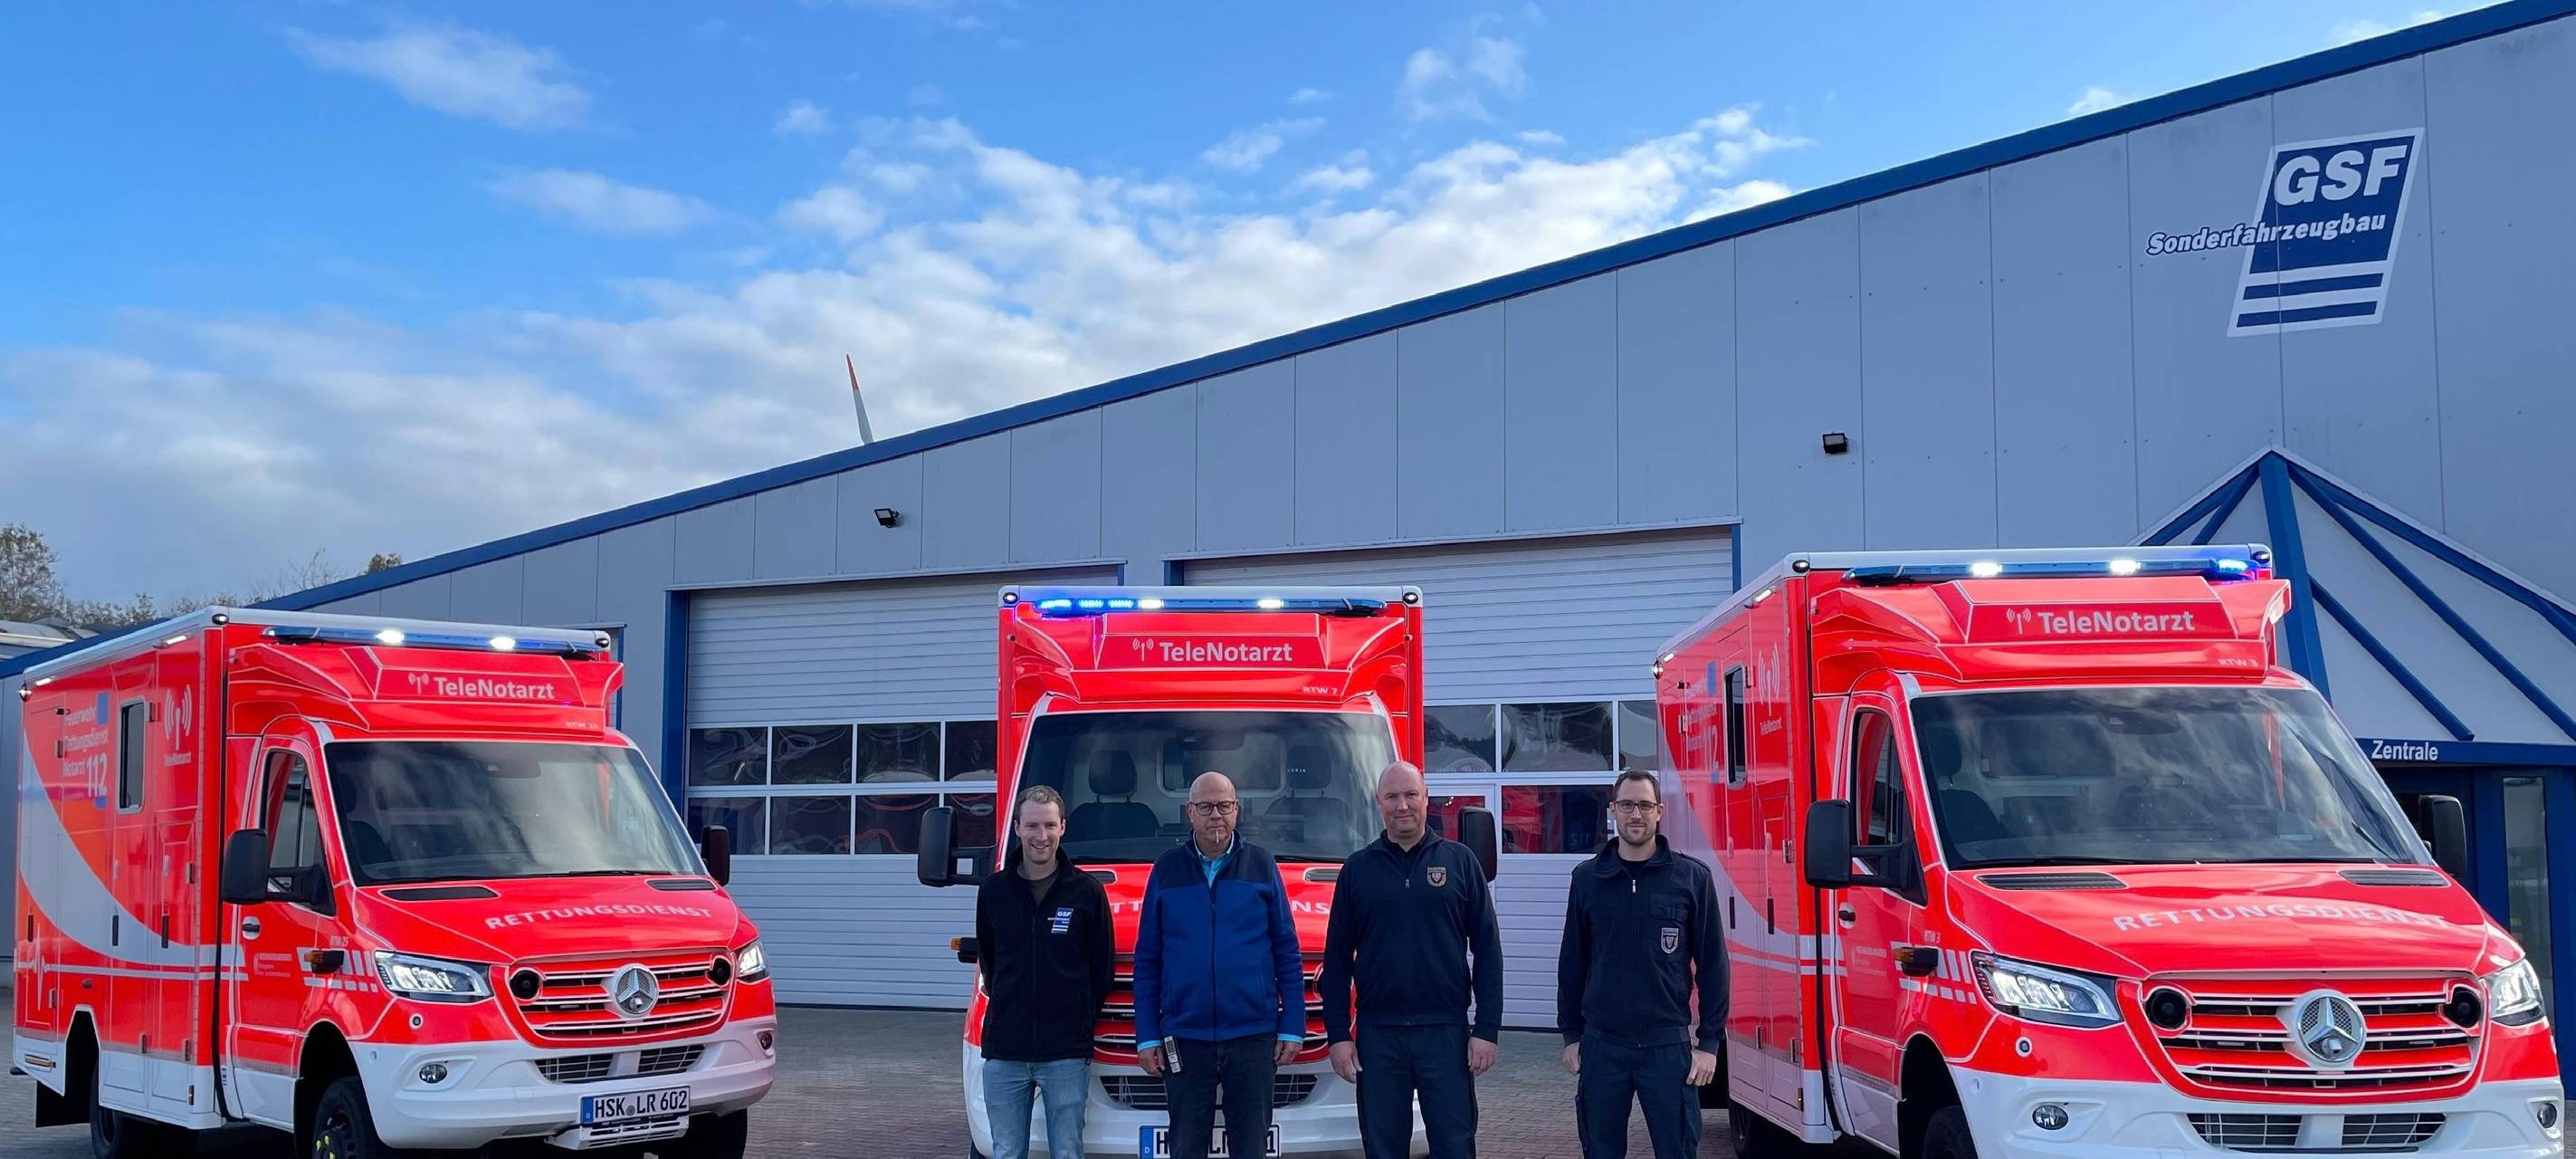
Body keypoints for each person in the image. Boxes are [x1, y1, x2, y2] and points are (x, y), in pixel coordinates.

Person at [1320, 760, 1503, 1159]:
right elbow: (1335, 962)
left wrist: (1486, 1029)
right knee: (1384, 1149)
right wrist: (1338, 1036)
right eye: (1392, 797)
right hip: (1378, 1036)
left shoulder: (1461, 862)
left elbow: (1488, 950)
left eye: (1410, 795)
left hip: (1445, 1033)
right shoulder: (1357, 870)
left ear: (1426, 798)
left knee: (1455, 1145)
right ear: (1379, 803)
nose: (1402, 805)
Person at [1132, 771, 1306, 1159]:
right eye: (1206, 807)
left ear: (1237, 811)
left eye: (1224, 806)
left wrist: (1293, 1025)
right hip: (1184, 1038)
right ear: (1189, 812)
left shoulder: (1261, 865)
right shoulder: (1166, 870)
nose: (1216, 815)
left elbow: (1286, 952)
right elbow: (1148, 960)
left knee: (1250, 1149)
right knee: (1185, 1147)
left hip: (1253, 1037)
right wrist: (1147, 1035)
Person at [1557, 769, 1728, 1159]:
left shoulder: (1691, 878)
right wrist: (1571, 1034)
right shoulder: (1587, 879)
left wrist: (1709, 1044)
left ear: (1660, 812)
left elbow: (1714, 965)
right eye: (1629, 805)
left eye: (1646, 806)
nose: (1637, 814)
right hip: (1603, 1046)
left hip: (1666, 1046)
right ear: (1613, 810)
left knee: (1677, 1150)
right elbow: (1572, 962)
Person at [975, 785, 1115, 1159]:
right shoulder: (993, 892)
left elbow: (1101, 971)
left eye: (1050, 825)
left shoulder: (1087, 892)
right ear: (1017, 828)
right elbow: (990, 963)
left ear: (1063, 828)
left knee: (1068, 1151)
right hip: (1005, 1050)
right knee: (1006, 1152)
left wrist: (1077, 1019)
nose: (1042, 836)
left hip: (1065, 1052)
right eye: (1033, 826)